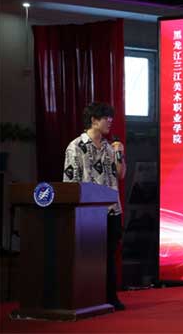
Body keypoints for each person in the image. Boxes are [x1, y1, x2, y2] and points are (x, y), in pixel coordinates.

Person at [63, 102, 126, 311]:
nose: (110, 121)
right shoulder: (76, 146)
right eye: (106, 117)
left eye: (111, 117)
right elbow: (70, 183)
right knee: (88, 256)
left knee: (109, 254)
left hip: (112, 209)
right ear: (93, 120)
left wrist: (120, 154)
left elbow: (121, 174)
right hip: (87, 212)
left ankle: (110, 297)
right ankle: (88, 297)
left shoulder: (110, 147)